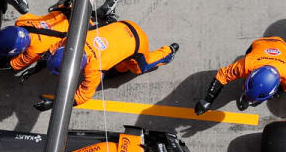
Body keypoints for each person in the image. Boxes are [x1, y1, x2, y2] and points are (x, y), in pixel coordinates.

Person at [34, 20, 178, 110]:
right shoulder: (74, 41)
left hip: (138, 42)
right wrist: (46, 56)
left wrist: (54, 104)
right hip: (124, 24)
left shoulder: (94, 69)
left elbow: (82, 96)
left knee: (141, 67)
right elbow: (58, 45)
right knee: (118, 62)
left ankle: (168, 52)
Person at [193, 37, 286, 113]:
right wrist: (207, 99)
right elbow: (222, 75)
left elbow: (284, 89)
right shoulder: (247, 64)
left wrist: (208, 100)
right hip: (259, 43)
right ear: (251, 74)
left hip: (281, 44)